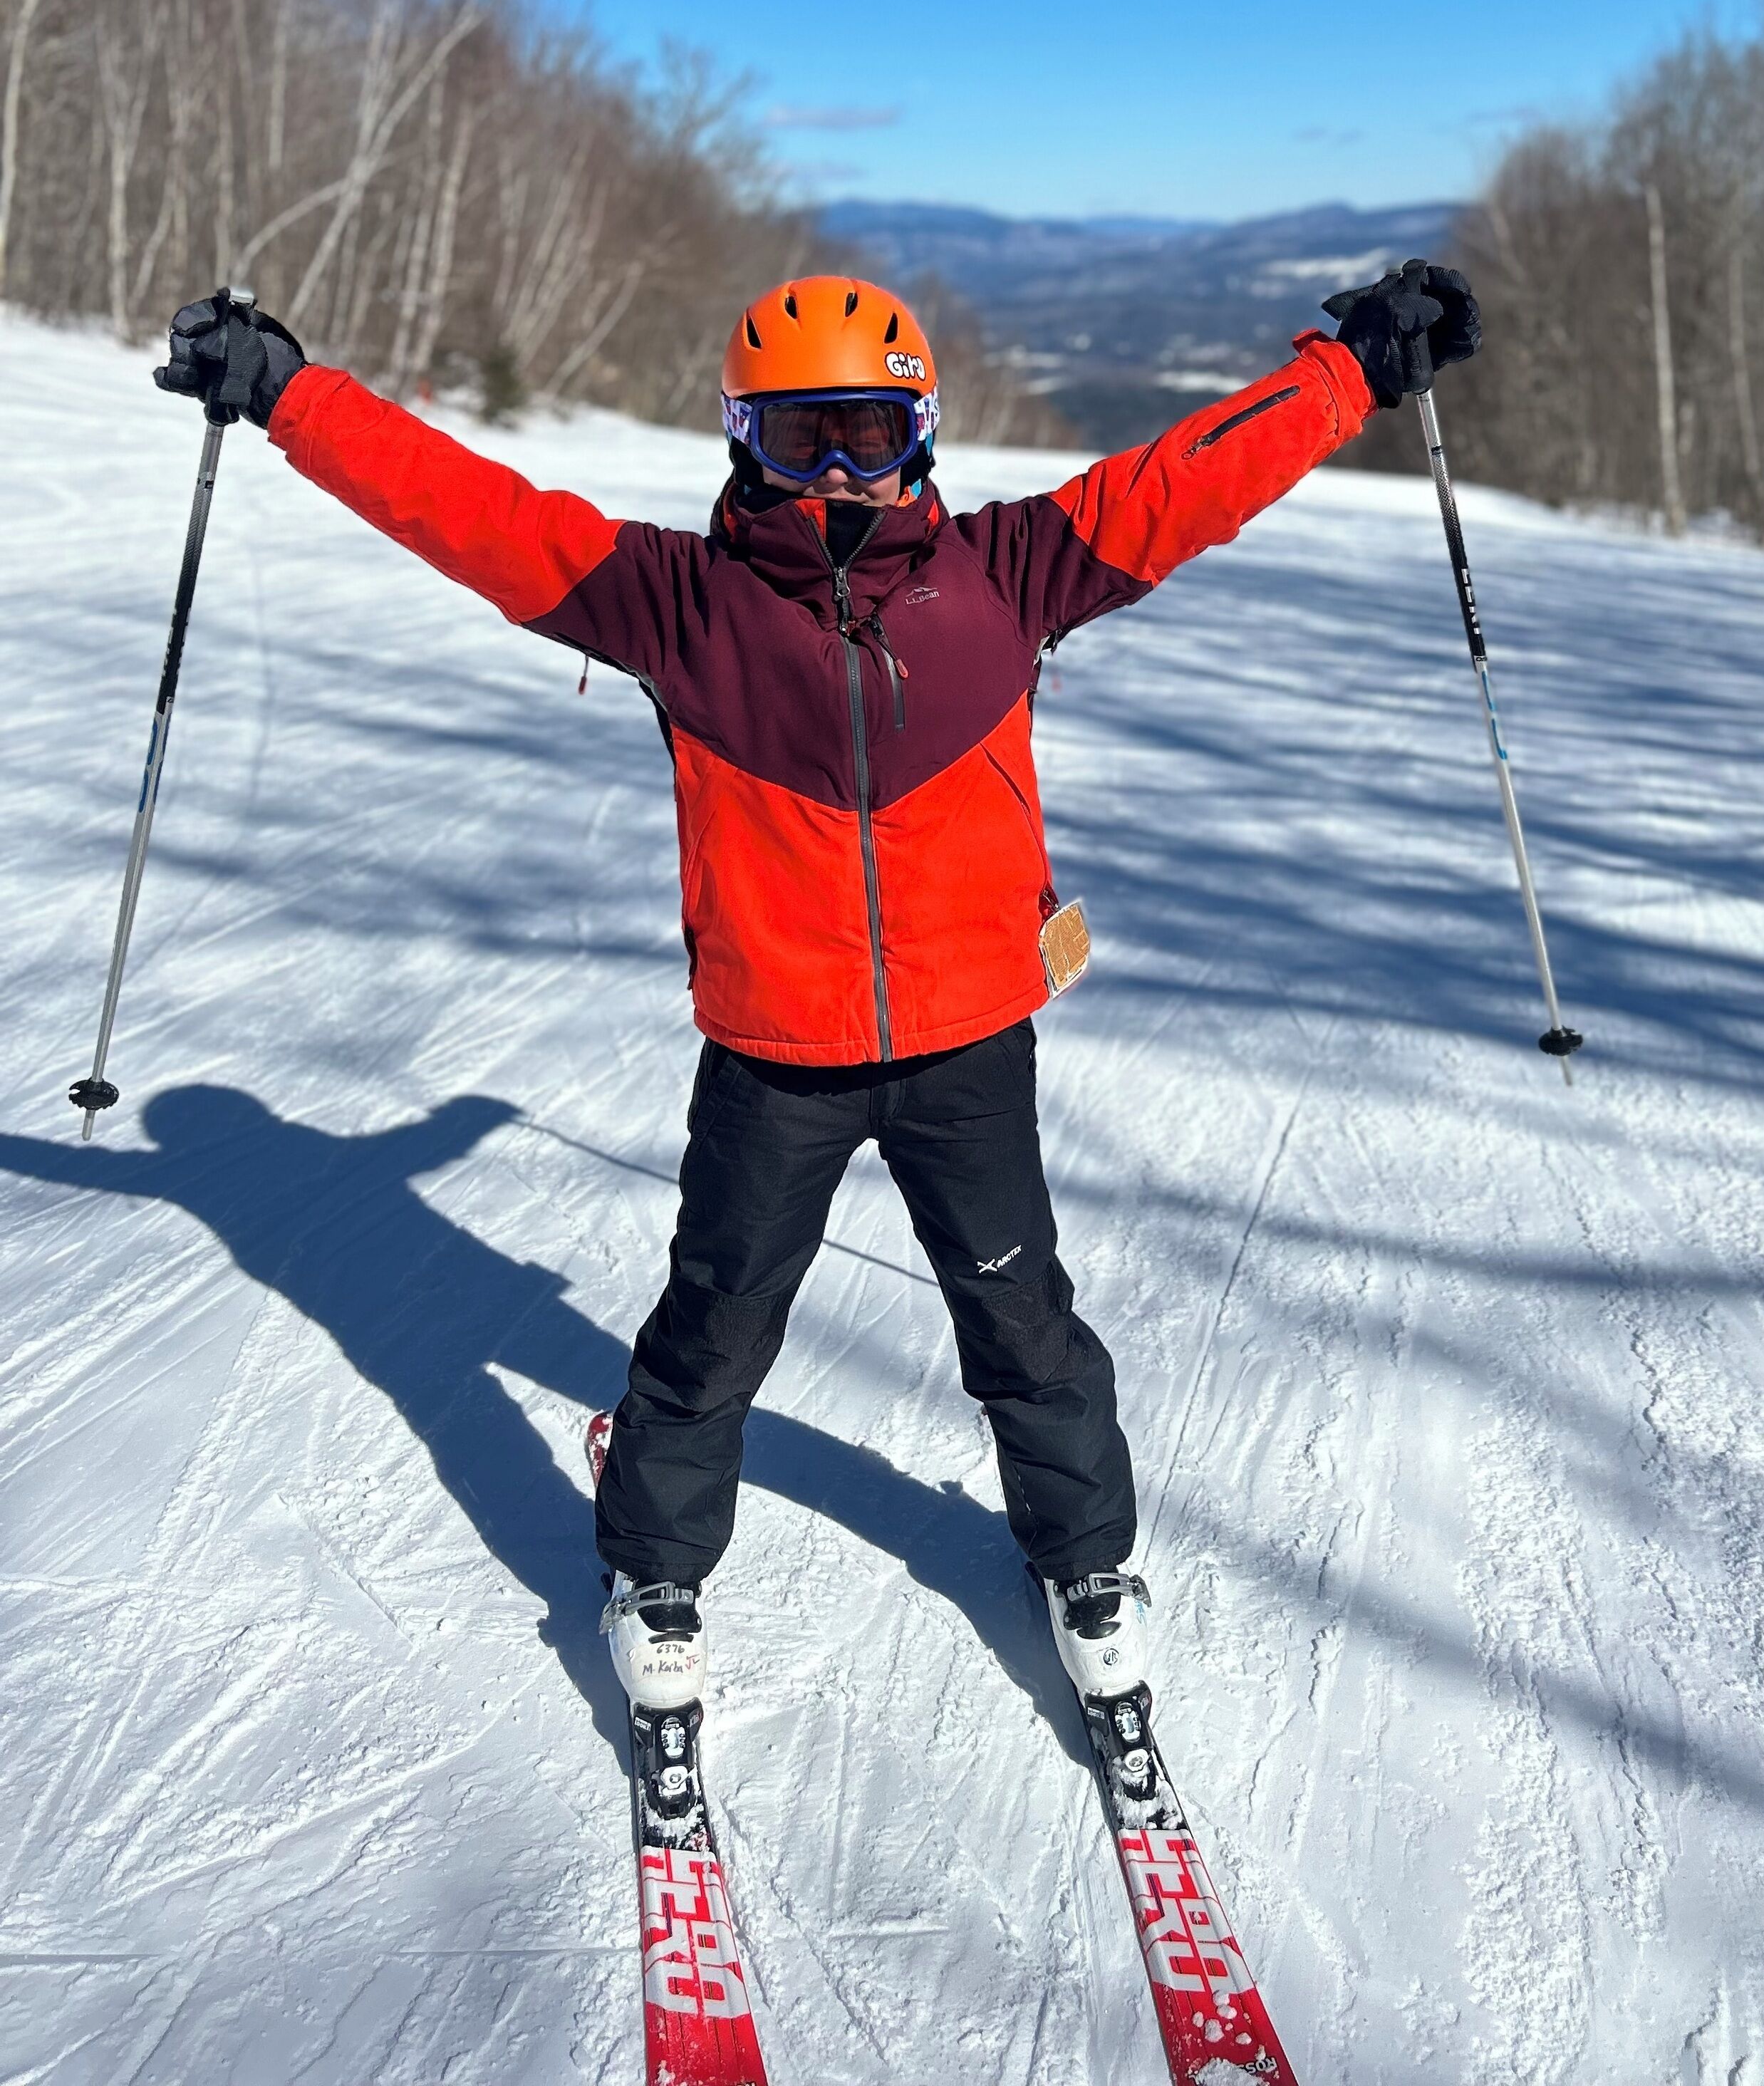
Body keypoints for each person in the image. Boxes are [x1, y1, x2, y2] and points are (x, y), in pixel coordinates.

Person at [155, 258, 1478, 1712]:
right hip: (776, 1057)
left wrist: (1352, 365)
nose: (838, 471)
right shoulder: (673, 605)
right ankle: (656, 1563)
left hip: (970, 1044)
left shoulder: (1011, 575)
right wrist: (288, 391)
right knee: (716, 1322)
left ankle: (1086, 1558)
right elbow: (463, 507)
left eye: (864, 429)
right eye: (799, 438)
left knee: (1022, 1316)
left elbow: (1191, 477)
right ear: (740, 436)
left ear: (919, 430)